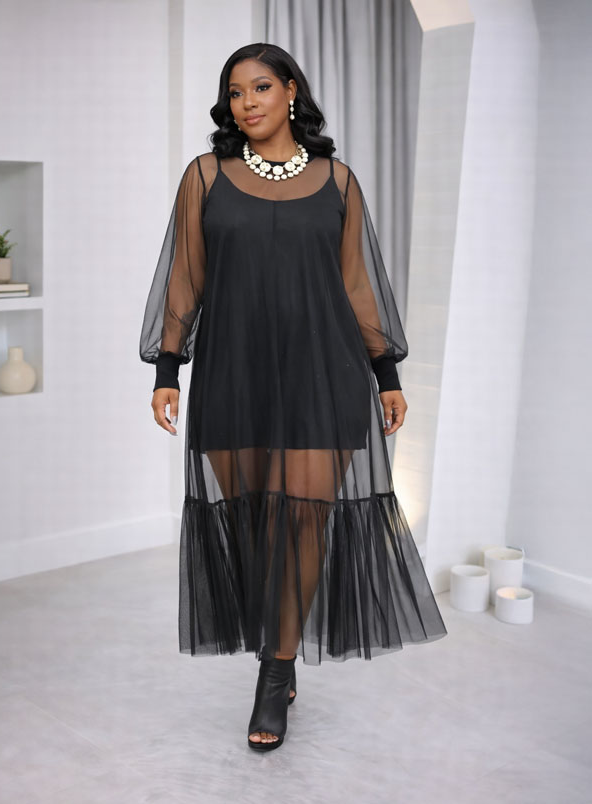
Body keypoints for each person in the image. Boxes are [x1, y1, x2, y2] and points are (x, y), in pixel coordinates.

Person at [139, 42, 447, 752]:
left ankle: (276, 673)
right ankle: (276, 644)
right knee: (251, 523)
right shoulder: (205, 177)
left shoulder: (338, 181)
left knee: (305, 523)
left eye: (260, 88)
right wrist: (167, 370)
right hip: (233, 372)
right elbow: (185, 276)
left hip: (323, 372)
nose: (247, 103)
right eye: (235, 92)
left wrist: (387, 374)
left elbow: (357, 283)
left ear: (290, 93)